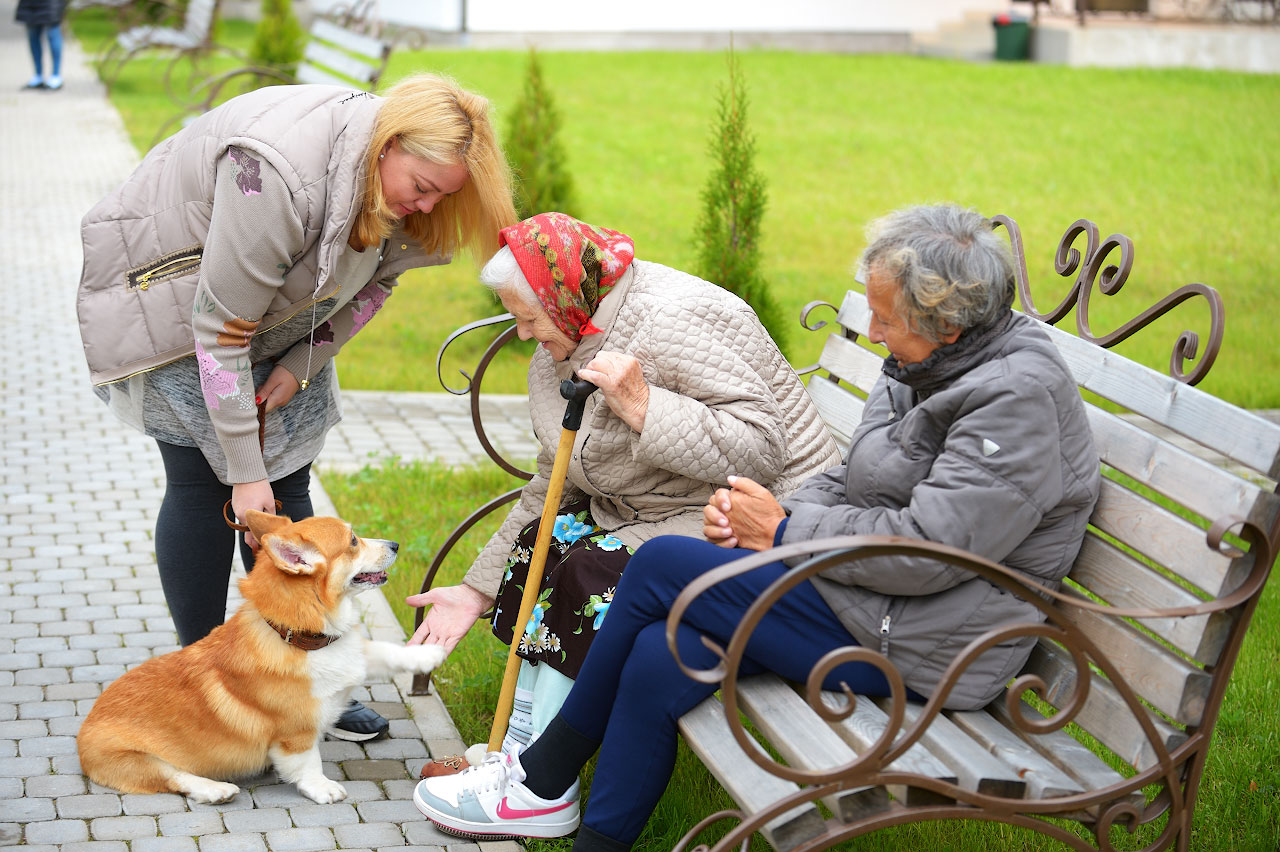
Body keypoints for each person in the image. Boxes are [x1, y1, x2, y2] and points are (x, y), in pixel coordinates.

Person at [411, 203, 1103, 850]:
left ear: (946, 324)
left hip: (931, 642)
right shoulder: (926, 359)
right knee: (659, 649)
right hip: (866, 598)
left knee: (657, 568)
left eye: (887, 319)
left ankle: (539, 779)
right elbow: (848, 479)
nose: (876, 332)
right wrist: (771, 522)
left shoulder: (1015, 398)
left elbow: (926, 555)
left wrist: (779, 532)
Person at [76, 73, 517, 740]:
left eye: (442, 196)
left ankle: (305, 674)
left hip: (281, 310)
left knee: (288, 482)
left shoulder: (395, 186)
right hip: (177, 298)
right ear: (388, 146)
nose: (426, 207)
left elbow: (379, 282)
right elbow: (221, 331)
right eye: (421, 188)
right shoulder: (274, 174)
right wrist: (244, 471)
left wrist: (300, 362)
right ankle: (206, 682)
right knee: (209, 486)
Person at [407, 211, 842, 773]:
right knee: (543, 553)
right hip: (661, 501)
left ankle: (537, 779)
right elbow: (553, 477)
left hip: (748, 513)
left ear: (562, 296)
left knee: (591, 578)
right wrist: (476, 589)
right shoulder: (566, 334)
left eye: (527, 316)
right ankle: (512, 753)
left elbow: (761, 449)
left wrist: (644, 407)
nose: (521, 334)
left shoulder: (676, 318)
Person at [16, 0, 64, 90]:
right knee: (32, 35)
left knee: (53, 33)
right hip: (30, 4)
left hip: (51, 3)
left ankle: (56, 75)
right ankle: (38, 76)